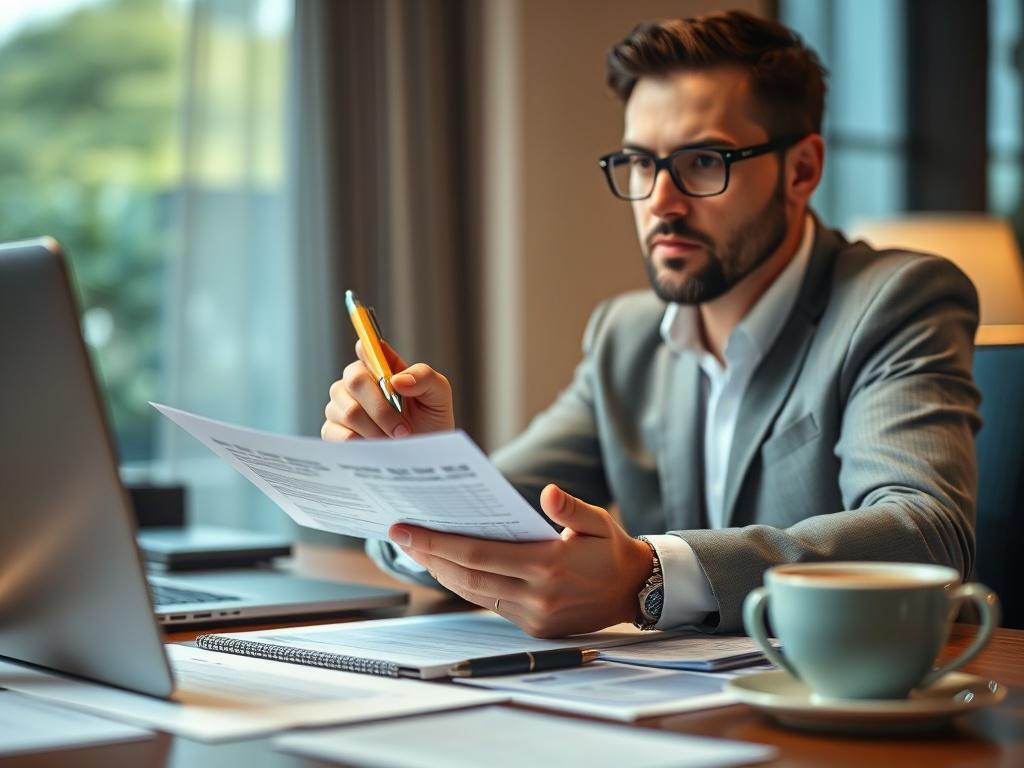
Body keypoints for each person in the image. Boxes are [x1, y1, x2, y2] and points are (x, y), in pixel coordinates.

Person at [321, 10, 980, 637]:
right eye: (640, 162)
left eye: (702, 161)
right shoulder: (626, 337)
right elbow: (510, 507)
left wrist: (648, 575)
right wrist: (418, 470)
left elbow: (924, 534)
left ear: (801, 169)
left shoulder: (896, 300)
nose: (660, 202)